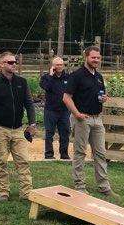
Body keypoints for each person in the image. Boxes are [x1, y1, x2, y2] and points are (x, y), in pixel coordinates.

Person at [63, 46, 118, 197]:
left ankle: (104, 187)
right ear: (85, 57)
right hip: (82, 119)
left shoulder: (98, 76)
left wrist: (104, 98)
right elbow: (66, 98)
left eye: (98, 58)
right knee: (80, 152)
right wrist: (77, 114)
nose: (96, 60)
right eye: (93, 57)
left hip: (97, 119)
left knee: (101, 153)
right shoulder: (77, 75)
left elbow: (100, 95)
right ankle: (80, 185)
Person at [0, 51, 37, 201]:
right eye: (11, 62)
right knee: (2, 162)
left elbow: (29, 104)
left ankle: (26, 194)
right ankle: (4, 193)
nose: (14, 64)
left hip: (18, 129)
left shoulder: (22, 82)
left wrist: (32, 124)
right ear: (1, 64)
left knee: (23, 161)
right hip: (0, 128)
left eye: (15, 62)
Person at [39, 57, 71, 160]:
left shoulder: (68, 77)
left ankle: (64, 154)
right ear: (53, 66)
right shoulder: (46, 78)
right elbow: (46, 87)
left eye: (61, 65)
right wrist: (50, 75)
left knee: (65, 132)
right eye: (57, 65)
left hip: (64, 110)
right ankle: (49, 154)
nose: (59, 67)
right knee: (49, 133)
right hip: (50, 110)